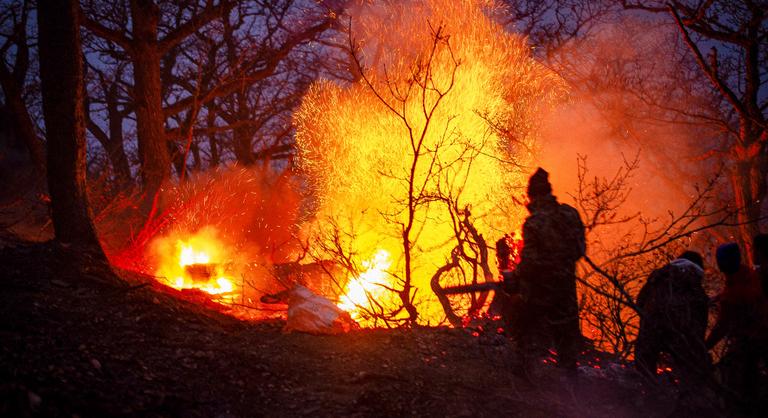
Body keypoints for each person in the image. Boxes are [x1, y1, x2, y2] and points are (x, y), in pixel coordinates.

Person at [509, 168, 586, 371]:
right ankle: (571, 394)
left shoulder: (534, 223)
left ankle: (526, 386)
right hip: (566, 293)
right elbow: (579, 250)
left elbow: (530, 264)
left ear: (533, 195)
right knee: (567, 350)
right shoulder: (570, 215)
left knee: (527, 340)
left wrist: (515, 277)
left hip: (539, 295)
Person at [634, 251, 711, 385]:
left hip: (651, 331)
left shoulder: (658, 277)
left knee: (644, 370)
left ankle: (644, 393)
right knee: (692, 374)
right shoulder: (697, 290)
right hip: (681, 337)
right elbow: (700, 325)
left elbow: (640, 302)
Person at [707, 243, 766, 413]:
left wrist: (704, 346)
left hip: (750, 342)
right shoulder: (747, 273)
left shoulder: (734, 296)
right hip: (761, 333)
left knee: (740, 383)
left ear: (721, 263)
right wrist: (716, 298)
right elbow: (730, 289)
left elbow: (721, 327)